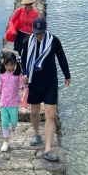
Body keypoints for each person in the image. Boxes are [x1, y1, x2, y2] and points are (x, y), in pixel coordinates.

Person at [24, 16, 70, 162]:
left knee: (50, 115)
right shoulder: (28, 41)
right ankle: (37, 133)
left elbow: (61, 57)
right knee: (34, 112)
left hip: (50, 82)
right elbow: (23, 59)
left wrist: (67, 75)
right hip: (34, 82)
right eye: (37, 33)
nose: (39, 36)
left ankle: (48, 149)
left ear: (46, 29)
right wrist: (24, 74)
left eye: (41, 33)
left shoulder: (53, 41)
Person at [5, 0, 39, 112]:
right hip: (20, 34)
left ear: (32, 4)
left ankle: (27, 76)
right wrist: (12, 29)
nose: (28, 6)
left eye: (30, 4)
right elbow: (12, 20)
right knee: (20, 56)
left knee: (28, 56)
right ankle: (21, 76)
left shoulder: (35, 14)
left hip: (30, 36)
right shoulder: (19, 11)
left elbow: (38, 25)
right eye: (26, 4)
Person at [0, 52, 27, 152]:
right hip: (3, 103)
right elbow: (0, 87)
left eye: (11, 65)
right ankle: (6, 141)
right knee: (5, 123)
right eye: (7, 65)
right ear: (4, 64)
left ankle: (13, 129)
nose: (9, 67)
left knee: (14, 121)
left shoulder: (18, 75)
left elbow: (24, 86)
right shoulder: (2, 75)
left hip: (13, 103)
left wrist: (25, 82)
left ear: (15, 64)